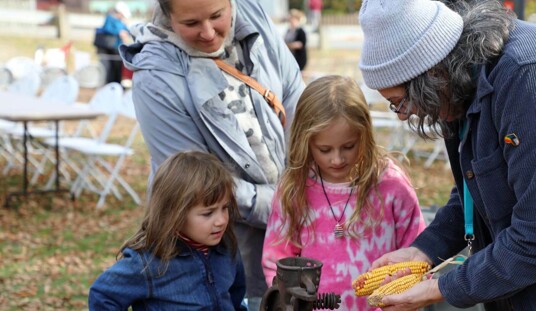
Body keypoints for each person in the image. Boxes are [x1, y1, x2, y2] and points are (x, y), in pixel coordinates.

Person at [357, 0, 536, 310]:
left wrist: (442, 288)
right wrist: (425, 250)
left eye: (401, 102)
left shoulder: (533, 78)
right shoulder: (457, 86)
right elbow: (475, 189)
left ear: (431, 77)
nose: (402, 116)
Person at [119, 0, 305, 309]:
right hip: (226, 247)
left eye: (217, 16)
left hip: (294, 227)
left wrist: (307, 181)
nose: (208, 33)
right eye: (191, 24)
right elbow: (193, 184)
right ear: (167, 13)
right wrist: (286, 205)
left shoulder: (254, 13)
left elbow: (294, 97)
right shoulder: (155, 77)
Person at [261, 75, 426, 310]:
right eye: (324, 149)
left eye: (349, 146)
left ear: (364, 135)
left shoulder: (392, 185)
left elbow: (417, 250)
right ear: (305, 141)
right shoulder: (295, 188)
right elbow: (277, 257)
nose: (337, 159)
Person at [88, 151, 247, 310]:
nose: (221, 220)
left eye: (225, 208)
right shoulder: (148, 262)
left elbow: (234, 296)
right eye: (208, 213)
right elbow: (103, 296)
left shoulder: (226, 248)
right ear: (175, 213)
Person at [95, 1, 132, 84]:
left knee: (118, 67)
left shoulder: (121, 22)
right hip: (108, 48)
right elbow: (107, 29)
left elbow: (126, 30)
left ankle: (117, 83)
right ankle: (109, 83)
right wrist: (119, 32)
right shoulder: (110, 18)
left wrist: (126, 31)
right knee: (109, 68)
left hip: (117, 49)